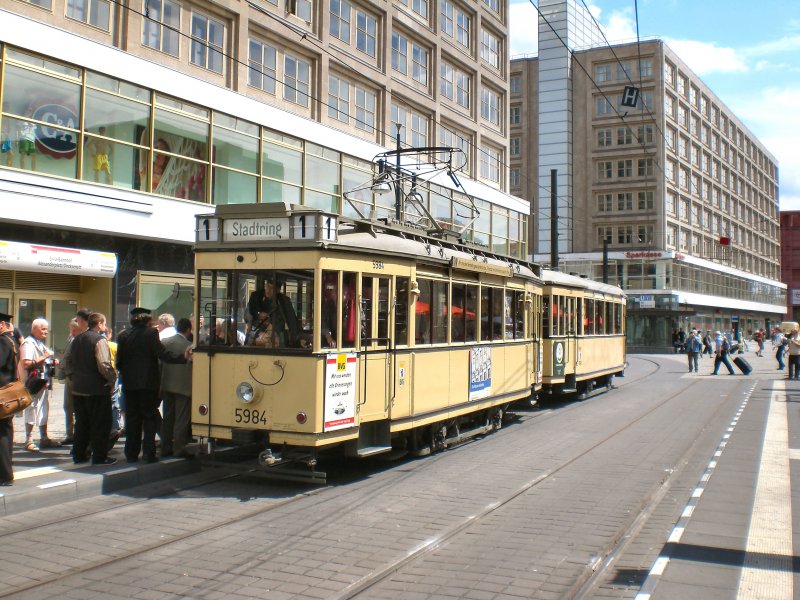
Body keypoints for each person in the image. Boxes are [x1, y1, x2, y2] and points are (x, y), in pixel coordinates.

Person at [116, 307, 190, 463]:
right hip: (147, 384)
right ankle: (148, 453)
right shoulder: (150, 334)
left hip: (130, 385)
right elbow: (162, 354)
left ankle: (131, 453)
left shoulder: (123, 336)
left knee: (132, 419)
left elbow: (119, 363)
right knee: (149, 418)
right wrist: (182, 359)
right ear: (147, 320)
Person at [65, 312, 117, 465]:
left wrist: (72, 377)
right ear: (99, 324)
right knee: (100, 423)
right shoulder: (99, 340)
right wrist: (112, 379)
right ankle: (100, 456)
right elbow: (104, 364)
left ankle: (79, 454)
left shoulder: (77, 339)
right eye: (104, 323)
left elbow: (67, 361)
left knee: (82, 424)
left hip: (78, 388)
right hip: (96, 388)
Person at [19, 318, 59, 452]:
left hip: (42, 382)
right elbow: (26, 363)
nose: (46, 332)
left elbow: (45, 358)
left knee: (43, 409)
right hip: (32, 383)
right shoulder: (28, 343)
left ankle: (44, 437)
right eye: (43, 329)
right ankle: (28, 439)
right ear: (34, 329)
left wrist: (52, 361)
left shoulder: (39, 343)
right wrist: (45, 356)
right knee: (31, 409)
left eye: (46, 329)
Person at [160, 318, 193, 458]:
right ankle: (179, 448)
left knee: (167, 418)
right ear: (188, 330)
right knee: (181, 419)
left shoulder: (164, 342)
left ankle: (165, 447)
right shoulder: (190, 346)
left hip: (166, 385)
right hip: (183, 387)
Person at [247, 277, 299, 347]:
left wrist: (298, 339)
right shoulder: (256, 296)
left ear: (278, 290)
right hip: (258, 332)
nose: (268, 290)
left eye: (272, 288)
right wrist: (259, 314)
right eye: (267, 286)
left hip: (277, 335)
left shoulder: (283, 301)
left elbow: (292, 321)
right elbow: (249, 313)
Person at [0, 312, 19, 486]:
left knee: (2, 434)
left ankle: (5, 474)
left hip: (2, 395)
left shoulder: (2, 342)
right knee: (6, 431)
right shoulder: (12, 341)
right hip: (8, 394)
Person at [1, 102, 14, 167]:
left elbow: (9, 128)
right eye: (6, 106)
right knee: (10, 154)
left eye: (8, 106)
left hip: (6, 135)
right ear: (3, 106)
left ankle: (9, 167)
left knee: (11, 154)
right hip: (2, 134)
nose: (7, 108)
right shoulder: (1, 114)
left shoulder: (7, 115)